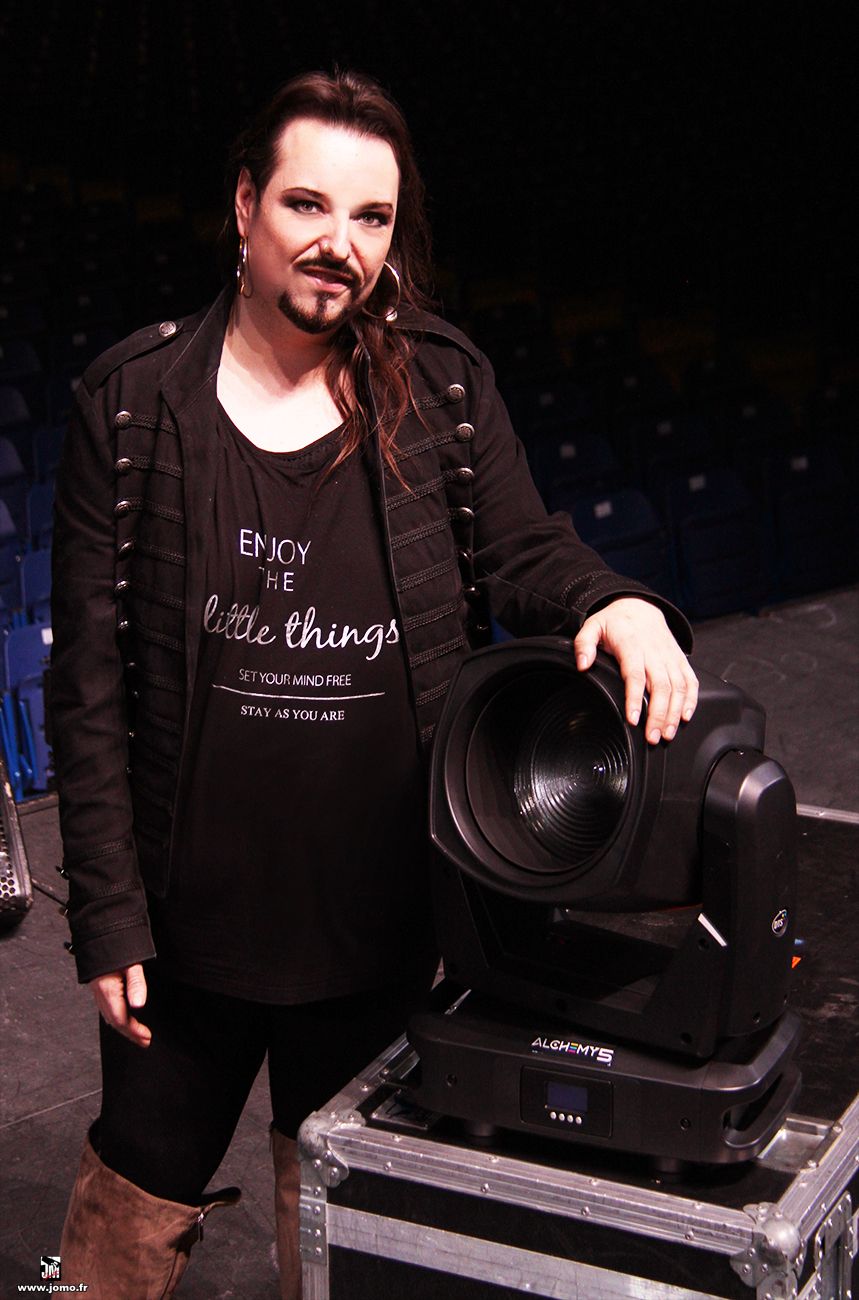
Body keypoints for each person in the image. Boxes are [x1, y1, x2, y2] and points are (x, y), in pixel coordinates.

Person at [52, 70, 698, 1298]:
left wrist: (609, 601)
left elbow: (525, 548)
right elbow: (85, 685)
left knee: (341, 1215)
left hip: (383, 920)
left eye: (372, 217)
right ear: (244, 206)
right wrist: (107, 913)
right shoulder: (131, 404)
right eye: (306, 203)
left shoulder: (440, 387)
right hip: (183, 932)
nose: (338, 244)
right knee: (126, 1199)